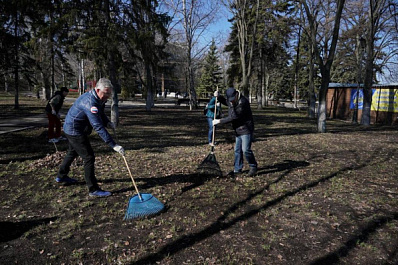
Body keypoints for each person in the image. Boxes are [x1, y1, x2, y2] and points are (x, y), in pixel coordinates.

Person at [56, 78, 125, 197]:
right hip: (74, 130)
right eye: (105, 93)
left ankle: (61, 176)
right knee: (89, 157)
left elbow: (101, 113)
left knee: (72, 152)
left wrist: (107, 122)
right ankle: (93, 190)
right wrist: (113, 145)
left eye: (109, 94)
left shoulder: (98, 98)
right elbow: (97, 126)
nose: (107, 97)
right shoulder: (90, 103)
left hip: (74, 128)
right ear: (98, 90)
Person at [213, 87, 258, 177]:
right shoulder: (231, 101)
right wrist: (219, 97)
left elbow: (234, 117)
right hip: (238, 129)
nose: (231, 102)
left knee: (246, 150)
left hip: (246, 129)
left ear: (237, 94)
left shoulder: (243, 102)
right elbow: (226, 102)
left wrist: (219, 121)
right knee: (237, 150)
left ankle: (253, 166)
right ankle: (237, 169)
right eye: (230, 100)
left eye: (232, 100)